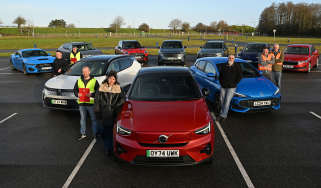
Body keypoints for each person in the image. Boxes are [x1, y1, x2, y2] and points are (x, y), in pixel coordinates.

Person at [94, 71, 125, 156]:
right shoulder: (101, 88)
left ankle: (109, 148)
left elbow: (122, 100)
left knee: (111, 132)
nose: (111, 80)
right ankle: (108, 147)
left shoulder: (119, 88)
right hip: (103, 114)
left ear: (115, 80)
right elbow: (97, 101)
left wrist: (116, 107)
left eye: (113, 79)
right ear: (107, 78)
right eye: (110, 78)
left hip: (114, 114)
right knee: (104, 132)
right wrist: (97, 112)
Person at [73, 66, 100, 140]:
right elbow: (75, 90)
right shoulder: (78, 80)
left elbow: (98, 92)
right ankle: (83, 134)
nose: (85, 73)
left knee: (93, 119)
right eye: (83, 72)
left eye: (86, 71)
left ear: (89, 72)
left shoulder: (94, 81)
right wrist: (77, 94)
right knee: (82, 119)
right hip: (81, 103)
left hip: (90, 104)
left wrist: (92, 94)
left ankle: (95, 134)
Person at [217, 54, 243, 124]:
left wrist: (235, 83)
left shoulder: (237, 66)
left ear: (234, 59)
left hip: (232, 87)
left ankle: (223, 115)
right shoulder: (223, 65)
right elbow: (220, 76)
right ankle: (223, 112)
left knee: (227, 101)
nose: (231, 59)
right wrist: (221, 83)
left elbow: (240, 76)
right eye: (230, 58)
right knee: (222, 100)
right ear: (228, 58)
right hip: (223, 86)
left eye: (232, 58)